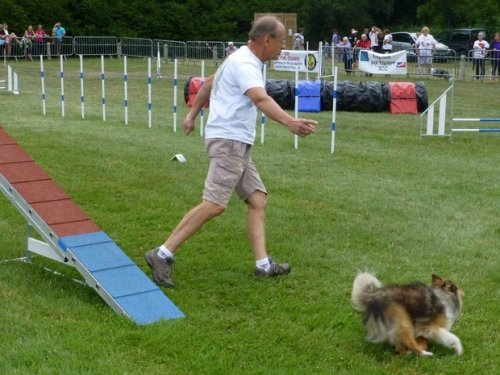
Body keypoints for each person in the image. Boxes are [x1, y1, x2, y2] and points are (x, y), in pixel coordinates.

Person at [144, 15, 317, 288]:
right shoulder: (246, 63)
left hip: (234, 141)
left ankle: (263, 266)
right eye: (281, 41)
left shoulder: (238, 59)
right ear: (267, 39)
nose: (283, 47)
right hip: (229, 142)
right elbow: (260, 98)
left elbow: (209, 83)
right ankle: (162, 254)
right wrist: (290, 122)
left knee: (257, 200)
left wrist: (192, 113)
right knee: (214, 204)